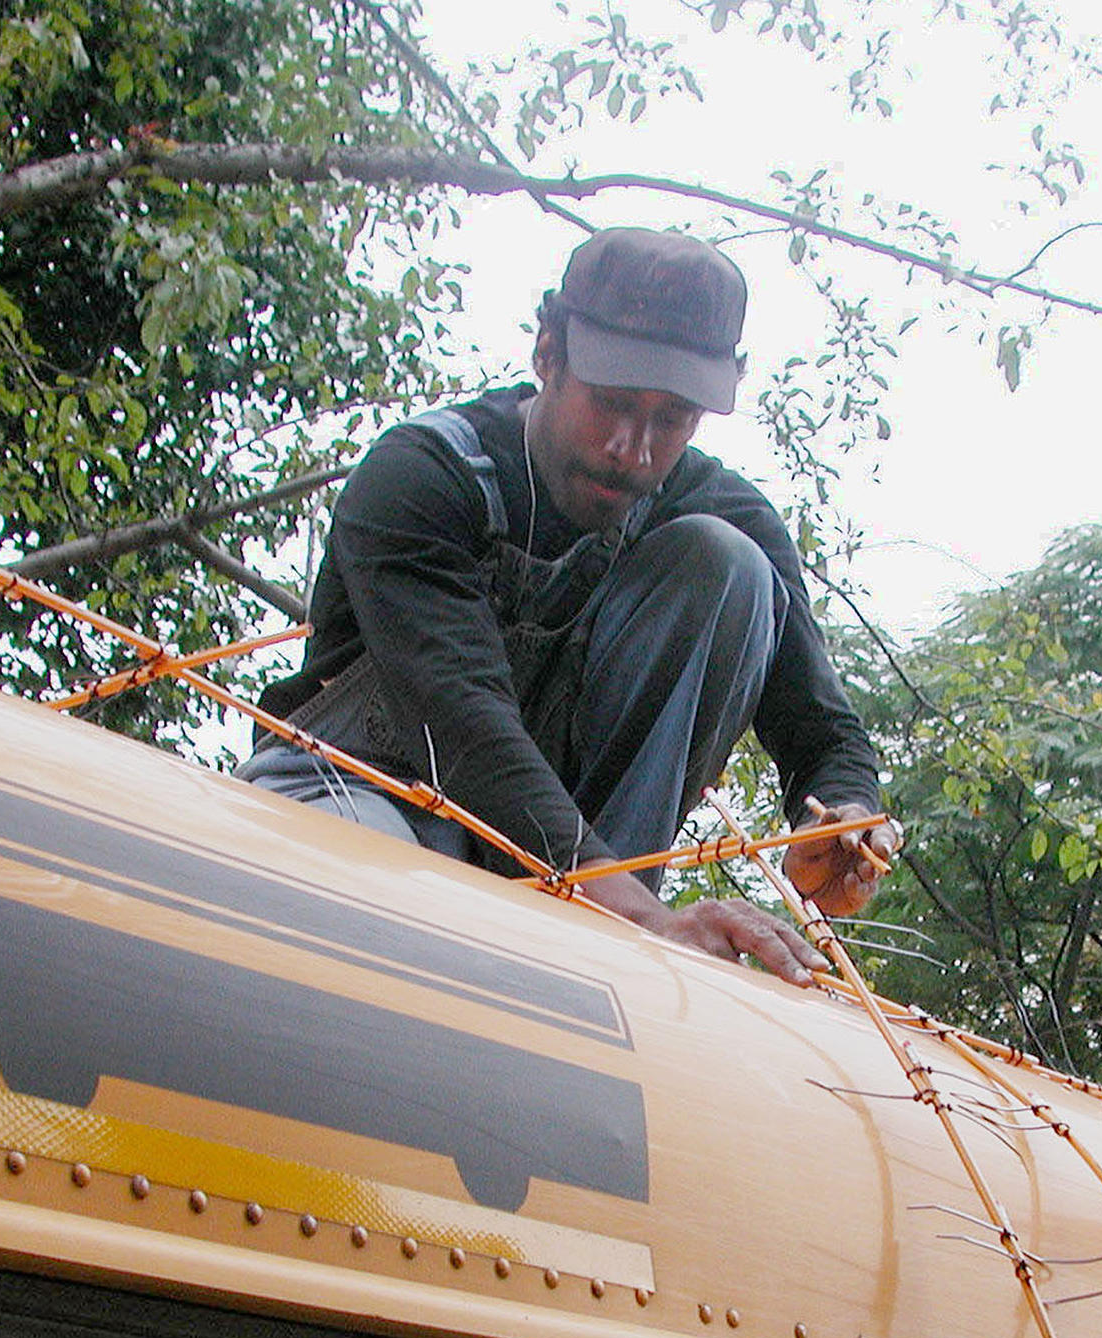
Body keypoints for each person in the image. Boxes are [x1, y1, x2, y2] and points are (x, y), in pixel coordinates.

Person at [238, 226, 899, 984]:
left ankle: (597, 931)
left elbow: (821, 720)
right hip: (367, 796)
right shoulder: (424, 475)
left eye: (672, 418)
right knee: (355, 910)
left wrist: (847, 817)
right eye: (613, 403)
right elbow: (465, 722)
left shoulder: (719, 505)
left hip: (577, 872)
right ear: (547, 352)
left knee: (732, 566)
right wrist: (643, 917)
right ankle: (611, 911)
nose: (633, 447)